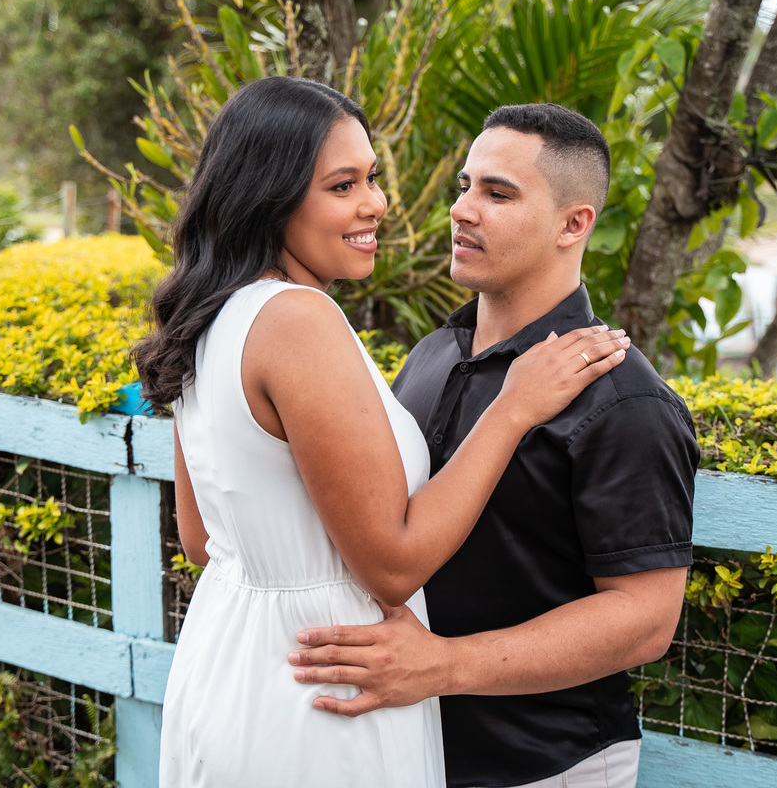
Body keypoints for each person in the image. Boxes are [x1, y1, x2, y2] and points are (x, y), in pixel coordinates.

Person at [134, 78, 629, 788]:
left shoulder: (209, 315)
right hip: (328, 697)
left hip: (231, 669)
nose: (376, 204)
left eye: (370, 177)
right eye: (343, 186)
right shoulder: (299, 320)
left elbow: (201, 538)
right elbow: (394, 568)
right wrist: (514, 407)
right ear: (269, 198)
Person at [288, 103, 700, 788]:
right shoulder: (429, 357)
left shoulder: (623, 399)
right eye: (464, 185)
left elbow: (644, 622)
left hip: (546, 765)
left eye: (497, 193)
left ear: (574, 224)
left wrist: (442, 665)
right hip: (403, 751)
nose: (463, 210)